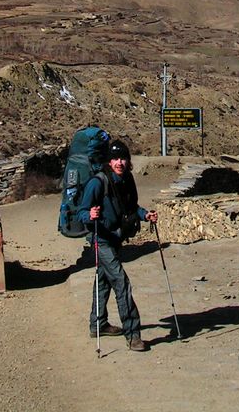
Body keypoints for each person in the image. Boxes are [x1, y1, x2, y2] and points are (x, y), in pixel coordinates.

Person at [81, 138, 157, 352]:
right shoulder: (98, 182)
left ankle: (98, 324)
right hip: (101, 239)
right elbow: (81, 212)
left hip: (116, 238)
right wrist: (89, 214)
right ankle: (133, 335)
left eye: (123, 158)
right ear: (108, 161)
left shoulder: (128, 180)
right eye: (115, 158)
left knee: (104, 281)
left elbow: (131, 207)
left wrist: (145, 215)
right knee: (122, 283)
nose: (119, 162)